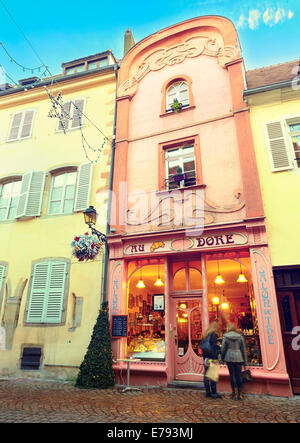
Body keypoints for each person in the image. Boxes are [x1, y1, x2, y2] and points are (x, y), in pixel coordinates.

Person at [221, 323, 248, 400]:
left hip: (229, 357)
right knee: (239, 375)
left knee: (232, 375)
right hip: (239, 357)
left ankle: (234, 393)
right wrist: (245, 361)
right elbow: (243, 349)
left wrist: (222, 358)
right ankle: (240, 394)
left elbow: (223, 349)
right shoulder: (240, 337)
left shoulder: (225, 337)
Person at [201, 321, 222, 399]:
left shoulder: (205, 334)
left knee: (206, 376)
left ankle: (207, 392)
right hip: (212, 358)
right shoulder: (213, 334)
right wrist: (216, 357)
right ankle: (214, 393)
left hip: (206, 358)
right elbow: (213, 347)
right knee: (213, 375)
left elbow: (203, 347)